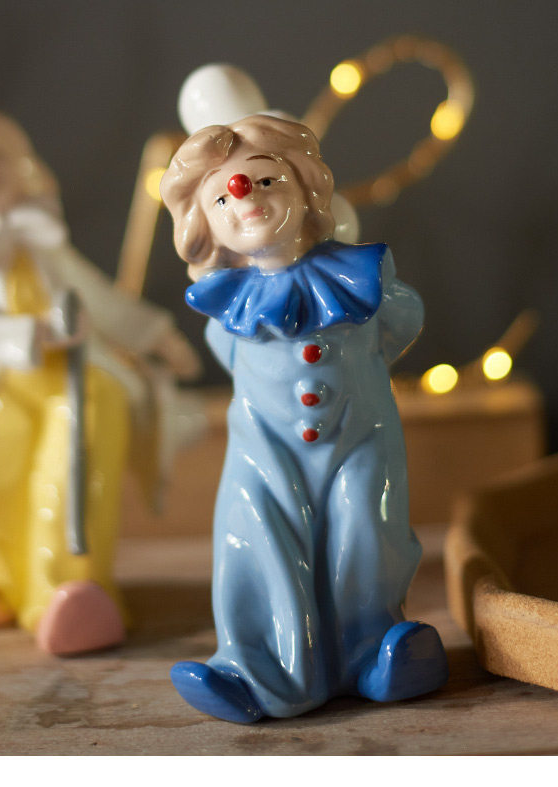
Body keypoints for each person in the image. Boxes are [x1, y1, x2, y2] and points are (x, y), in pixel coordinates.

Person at [160, 113, 448, 722]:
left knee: (364, 534)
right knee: (254, 538)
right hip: (264, 449)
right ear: (205, 223)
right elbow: (230, 354)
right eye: (221, 198)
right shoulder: (228, 301)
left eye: (267, 181)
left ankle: (375, 655)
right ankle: (259, 670)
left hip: (359, 438)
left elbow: (400, 324)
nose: (247, 199)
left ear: (305, 189)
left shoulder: (361, 277)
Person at [0, 109, 202, 654]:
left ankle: (67, 588)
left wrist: (156, 335)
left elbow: (98, 297)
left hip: (75, 380)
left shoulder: (40, 243)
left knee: (76, 461)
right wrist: (32, 333)